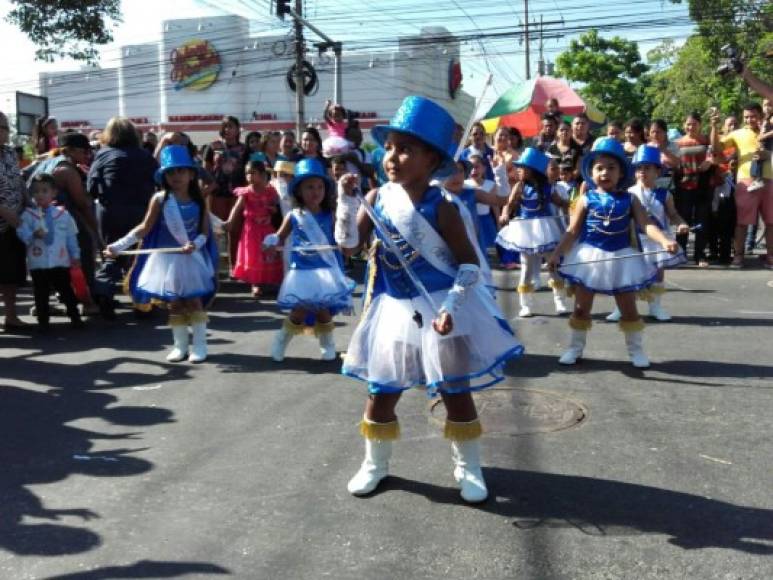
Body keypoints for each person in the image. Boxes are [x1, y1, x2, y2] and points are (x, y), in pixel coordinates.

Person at [337, 96, 524, 503]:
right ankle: (375, 465)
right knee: (382, 392)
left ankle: (468, 466)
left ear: (431, 159)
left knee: (455, 391)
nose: (393, 157)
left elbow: (469, 266)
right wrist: (346, 200)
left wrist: (451, 308)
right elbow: (349, 247)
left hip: (442, 308)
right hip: (393, 310)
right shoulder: (377, 198)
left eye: (405, 149)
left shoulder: (444, 208)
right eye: (389, 147)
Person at [548, 138, 679, 368]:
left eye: (611, 168)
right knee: (581, 307)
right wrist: (557, 253)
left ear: (621, 173)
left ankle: (636, 351)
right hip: (589, 259)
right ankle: (575, 348)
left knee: (629, 308)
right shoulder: (586, 198)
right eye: (599, 168)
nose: (605, 173)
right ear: (591, 172)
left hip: (620, 258)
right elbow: (572, 230)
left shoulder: (630, 198)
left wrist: (664, 239)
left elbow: (646, 224)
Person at [105, 145, 219, 363]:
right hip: (166, 261)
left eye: (181, 171)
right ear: (164, 176)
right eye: (170, 172)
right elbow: (144, 228)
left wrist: (195, 244)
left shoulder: (199, 200)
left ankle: (200, 347)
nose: (176, 176)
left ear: (191, 174)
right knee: (175, 303)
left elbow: (205, 232)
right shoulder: (159, 199)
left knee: (195, 302)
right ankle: (180, 346)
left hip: (190, 258)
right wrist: (118, 246)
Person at [263, 157, 354, 362]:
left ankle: (327, 345)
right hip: (302, 271)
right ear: (299, 191)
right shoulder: (295, 215)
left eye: (320, 187)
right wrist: (271, 242)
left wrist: (344, 242)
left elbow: (340, 237)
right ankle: (281, 340)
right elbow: (279, 236)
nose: (315, 192)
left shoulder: (330, 215)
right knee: (299, 311)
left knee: (324, 311)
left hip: (325, 270)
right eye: (310, 187)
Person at [606, 145, 689, 322]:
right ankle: (620, 308)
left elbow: (672, 214)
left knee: (657, 274)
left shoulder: (664, 194)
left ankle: (655, 306)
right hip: (634, 240)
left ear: (657, 172)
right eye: (639, 168)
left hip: (657, 240)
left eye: (647, 168)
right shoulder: (627, 193)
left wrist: (681, 224)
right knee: (627, 275)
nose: (642, 172)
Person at [87, 116, 158, 318]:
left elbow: (91, 186)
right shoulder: (145, 156)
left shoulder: (103, 155)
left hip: (111, 212)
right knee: (140, 256)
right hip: (141, 212)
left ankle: (104, 296)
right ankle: (142, 302)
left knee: (112, 253)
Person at [497, 148, 568, 316]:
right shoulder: (519, 187)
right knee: (527, 267)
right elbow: (509, 204)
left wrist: (575, 205)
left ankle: (560, 301)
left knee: (552, 265)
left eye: (522, 168)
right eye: (518, 167)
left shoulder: (548, 188)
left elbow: (561, 202)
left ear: (533, 170)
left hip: (545, 229)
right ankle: (525, 305)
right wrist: (505, 213)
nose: (518, 170)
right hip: (526, 231)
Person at [28, 132, 100, 294]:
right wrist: (95, 230)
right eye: (84, 151)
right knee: (84, 249)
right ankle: (87, 297)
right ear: (70, 151)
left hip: (37, 219)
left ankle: (51, 298)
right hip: (59, 220)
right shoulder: (67, 170)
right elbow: (81, 203)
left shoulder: (47, 162)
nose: (87, 155)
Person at [16, 174, 83, 331]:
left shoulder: (63, 215)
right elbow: (21, 233)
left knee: (66, 289)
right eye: (36, 191)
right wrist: (32, 235)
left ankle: (74, 316)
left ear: (54, 193)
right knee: (41, 292)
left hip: (60, 260)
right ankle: (43, 321)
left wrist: (75, 256)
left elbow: (71, 238)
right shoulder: (28, 215)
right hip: (38, 261)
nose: (40, 194)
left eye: (44, 191)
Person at [710, 103, 772, 269]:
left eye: (752, 116)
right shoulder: (738, 133)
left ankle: (770, 257)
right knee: (742, 222)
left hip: (770, 180)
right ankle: (738, 257)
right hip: (746, 181)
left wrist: (769, 154)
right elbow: (717, 148)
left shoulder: (770, 129)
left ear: (760, 115)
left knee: (771, 222)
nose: (749, 119)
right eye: (746, 116)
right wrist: (714, 126)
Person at [226, 156, 283, 298]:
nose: (249, 176)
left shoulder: (270, 191)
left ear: (263, 175)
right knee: (253, 255)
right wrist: (230, 222)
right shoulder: (245, 192)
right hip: (251, 230)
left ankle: (269, 281)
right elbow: (237, 208)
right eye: (247, 173)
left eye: (252, 173)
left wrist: (272, 210)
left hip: (267, 228)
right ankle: (255, 283)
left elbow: (276, 207)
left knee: (268, 254)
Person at [0, 111, 29, 331]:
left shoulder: (9, 153)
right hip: (4, 219)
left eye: (6, 127)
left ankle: (11, 316)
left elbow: (18, 182)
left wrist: (30, 204)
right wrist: (4, 211)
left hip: (15, 223)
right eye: (2, 127)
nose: (6, 132)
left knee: (11, 273)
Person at [673, 113, 713, 266]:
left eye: (694, 124)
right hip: (683, 186)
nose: (691, 127)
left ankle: (700, 255)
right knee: (683, 221)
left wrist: (710, 161)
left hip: (703, 185)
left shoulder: (707, 140)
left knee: (702, 221)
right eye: (688, 124)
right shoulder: (677, 143)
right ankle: (680, 254)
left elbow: (716, 154)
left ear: (700, 125)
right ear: (684, 125)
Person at [648, 119, 681, 191]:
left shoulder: (673, 146)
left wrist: (664, 150)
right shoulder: (647, 148)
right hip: (651, 187)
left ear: (665, 132)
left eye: (658, 132)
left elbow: (677, 163)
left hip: (669, 187)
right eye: (652, 132)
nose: (655, 135)